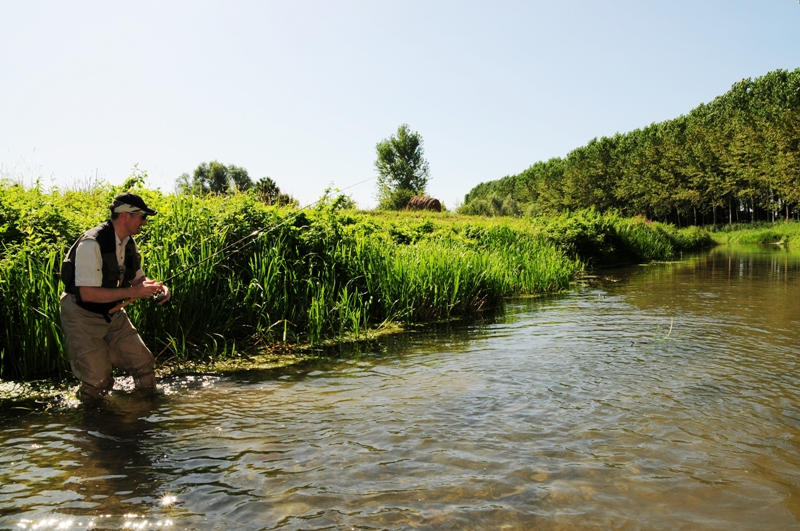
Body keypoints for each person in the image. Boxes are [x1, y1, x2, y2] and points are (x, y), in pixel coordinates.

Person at [60, 192, 170, 400]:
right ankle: (92, 423)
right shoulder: (92, 243)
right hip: (82, 315)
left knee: (144, 365)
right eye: (142, 216)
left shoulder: (129, 243)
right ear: (125, 216)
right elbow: (86, 293)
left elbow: (138, 282)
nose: (145, 222)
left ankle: (145, 414)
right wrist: (132, 292)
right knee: (98, 380)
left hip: (114, 314)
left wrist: (157, 288)